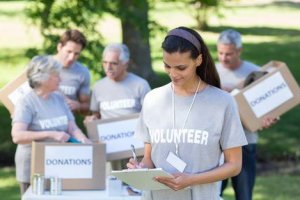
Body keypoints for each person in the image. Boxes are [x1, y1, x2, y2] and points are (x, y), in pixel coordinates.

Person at [127, 27, 248, 200]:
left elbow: (234, 165)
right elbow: (149, 158)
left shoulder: (222, 103)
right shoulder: (152, 99)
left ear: (198, 60)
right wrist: (140, 170)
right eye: (167, 66)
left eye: (181, 67)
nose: (173, 74)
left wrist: (192, 180)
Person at [11, 56, 90, 195]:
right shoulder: (26, 103)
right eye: (56, 76)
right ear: (43, 78)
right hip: (32, 168)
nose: (60, 79)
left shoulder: (59, 98)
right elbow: (17, 136)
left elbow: (72, 127)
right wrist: (51, 134)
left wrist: (83, 139)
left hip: (58, 164)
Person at [216, 29, 277, 200]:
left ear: (239, 51)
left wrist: (268, 119)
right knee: (213, 195)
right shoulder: (211, 71)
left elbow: (268, 107)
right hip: (216, 144)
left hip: (245, 141)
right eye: (220, 52)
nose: (223, 58)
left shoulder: (256, 73)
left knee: (244, 195)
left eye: (229, 53)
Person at [86, 43, 151, 121]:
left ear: (125, 64)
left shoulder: (141, 85)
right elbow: (96, 115)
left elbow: (151, 114)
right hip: (108, 132)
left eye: (113, 63)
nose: (108, 67)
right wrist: (93, 119)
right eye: (105, 62)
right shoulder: (98, 87)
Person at [53, 29, 91, 114]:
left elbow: (86, 107)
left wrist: (78, 106)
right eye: (69, 51)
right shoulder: (41, 65)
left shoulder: (82, 72)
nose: (71, 57)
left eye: (76, 54)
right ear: (59, 47)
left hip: (66, 123)